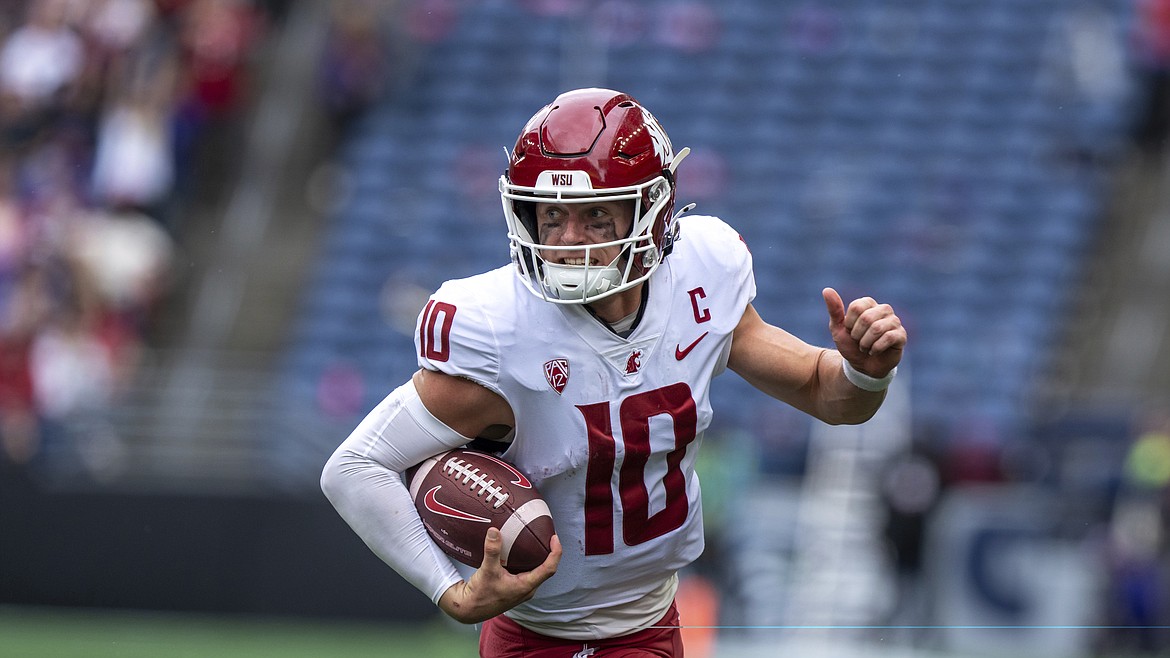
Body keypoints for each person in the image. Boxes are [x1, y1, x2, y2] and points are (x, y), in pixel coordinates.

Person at [321, 87, 906, 657]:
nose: (569, 242)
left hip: (653, 627)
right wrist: (448, 590)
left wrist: (864, 374)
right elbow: (355, 465)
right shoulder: (497, 329)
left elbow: (828, 396)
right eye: (552, 218)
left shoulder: (703, 274)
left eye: (596, 217)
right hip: (535, 639)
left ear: (652, 213)